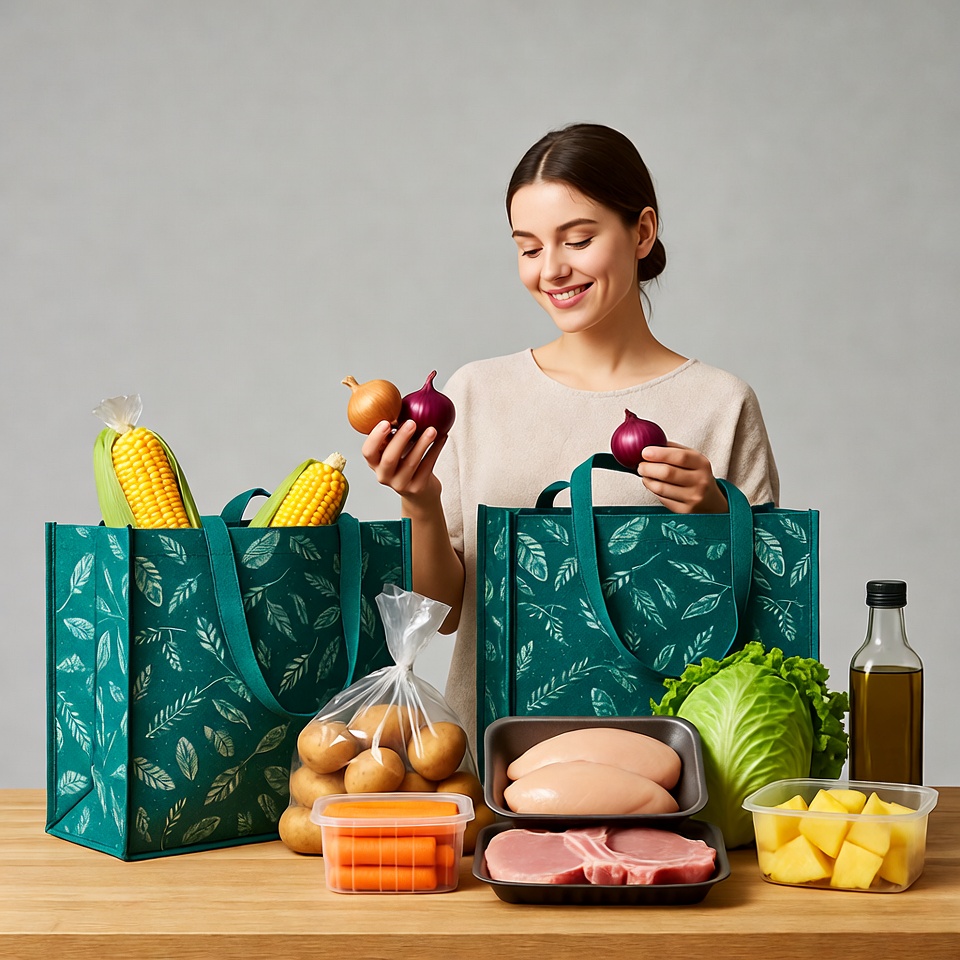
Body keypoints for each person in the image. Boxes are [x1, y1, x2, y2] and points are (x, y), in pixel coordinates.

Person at [361, 122, 779, 751]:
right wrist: (418, 501)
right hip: (495, 765)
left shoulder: (721, 404)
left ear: (642, 231)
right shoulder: (474, 393)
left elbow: (769, 617)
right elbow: (443, 614)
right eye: (528, 249)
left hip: (666, 770)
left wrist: (718, 517)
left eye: (578, 240)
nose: (551, 270)